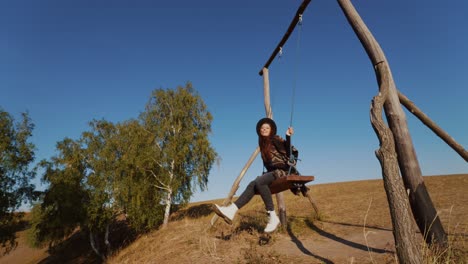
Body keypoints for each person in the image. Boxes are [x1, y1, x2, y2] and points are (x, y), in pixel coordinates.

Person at [213, 117, 295, 233]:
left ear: (271, 130)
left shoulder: (275, 139)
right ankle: (231, 210)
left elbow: (288, 150)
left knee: (259, 182)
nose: (264, 129)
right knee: (253, 183)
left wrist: (288, 136)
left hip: (283, 171)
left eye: (267, 128)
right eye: (262, 128)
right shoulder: (263, 145)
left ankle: (272, 216)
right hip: (272, 173)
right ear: (260, 131)